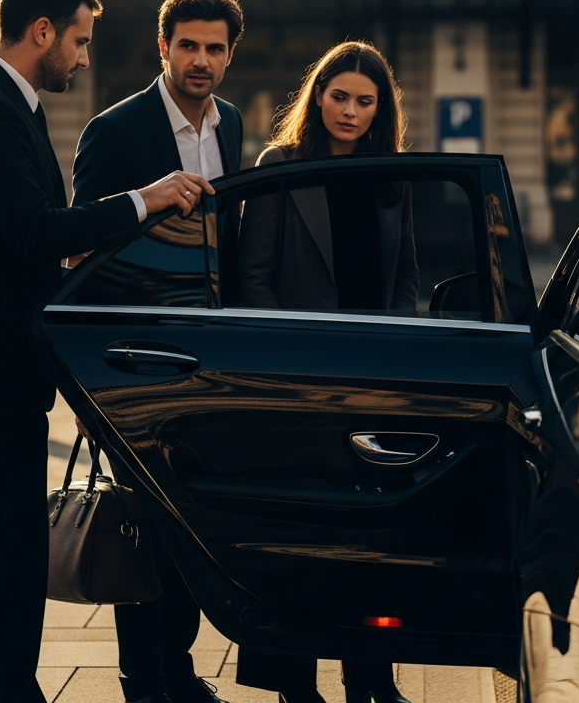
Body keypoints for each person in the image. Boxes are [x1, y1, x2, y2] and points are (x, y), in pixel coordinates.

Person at [0, 0, 209, 703]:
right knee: (7, 541)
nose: (85, 57)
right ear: (41, 32)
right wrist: (148, 198)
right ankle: (10, 694)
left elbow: (26, 232)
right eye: (79, 40)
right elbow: (36, 232)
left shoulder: (4, 101)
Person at [73, 0, 244, 703]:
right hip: (133, 362)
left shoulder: (231, 126)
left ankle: (177, 666)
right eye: (188, 46)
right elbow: (79, 251)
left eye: (214, 48)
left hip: (208, 361)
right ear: (163, 47)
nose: (200, 60)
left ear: (230, 55)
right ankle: (144, 678)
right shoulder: (115, 130)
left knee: (193, 525)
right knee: (141, 525)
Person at [236, 41, 415, 703]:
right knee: (300, 540)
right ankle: (294, 684)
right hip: (298, 379)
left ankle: (373, 676)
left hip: (373, 377)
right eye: (338, 96)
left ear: (380, 109)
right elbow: (253, 277)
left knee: (375, 538)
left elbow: (406, 277)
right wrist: (290, 361)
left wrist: (399, 350)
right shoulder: (281, 164)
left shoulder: (394, 172)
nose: (350, 111)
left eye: (365, 101)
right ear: (317, 97)